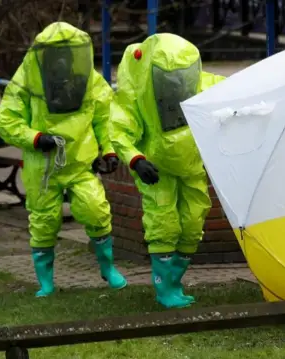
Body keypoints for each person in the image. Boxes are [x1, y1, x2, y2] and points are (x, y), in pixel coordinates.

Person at [0, 22, 127, 297]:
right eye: (57, 55)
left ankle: (108, 268)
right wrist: (34, 137)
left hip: (80, 162)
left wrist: (110, 150)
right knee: (44, 221)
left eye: (68, 54)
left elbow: (106, 118)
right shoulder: (26, 79)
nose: (63, 61)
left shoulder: (89, 79)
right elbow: (7, 121)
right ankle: (46, 282)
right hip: (42, 166)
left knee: (95, 210)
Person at [109, 33, 225, 309]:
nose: (176, 84)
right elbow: (119, 130)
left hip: (191, 166)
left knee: (194, 220)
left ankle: (173, 281)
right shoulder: (138, 93)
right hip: (157, 169)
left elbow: (232, 93)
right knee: (164, 223)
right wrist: (136, 159)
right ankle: (164, 289)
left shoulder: (200, 83)